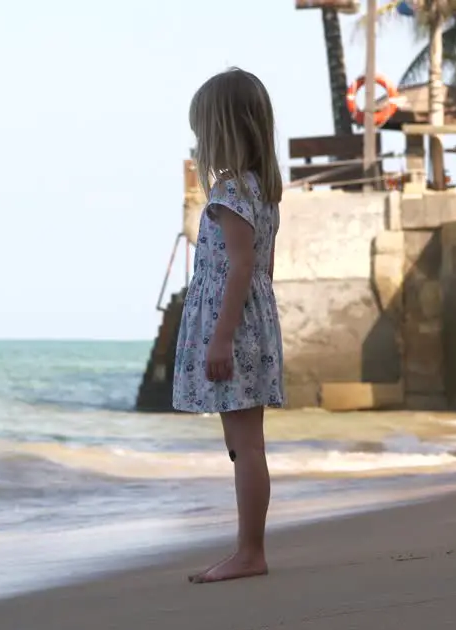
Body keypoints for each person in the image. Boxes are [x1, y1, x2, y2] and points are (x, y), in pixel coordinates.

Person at [172, 67, 284, 584]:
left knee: (245, 445)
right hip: (252, 324)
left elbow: (241, 268)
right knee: (246, 443)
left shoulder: (229, 194)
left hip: (232, 327)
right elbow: (266, 268)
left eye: (202, 132)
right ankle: (248, 548)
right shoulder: (262, 191)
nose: (199, 143)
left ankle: (249, 552)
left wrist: (220, 336)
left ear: (221, 132)